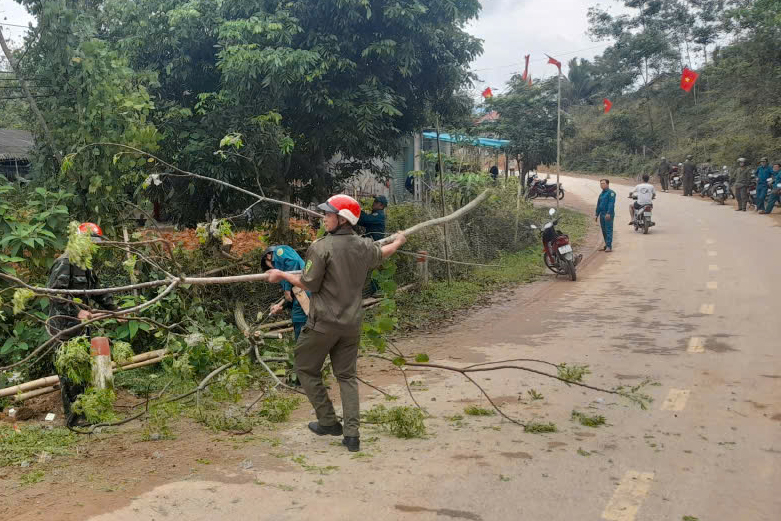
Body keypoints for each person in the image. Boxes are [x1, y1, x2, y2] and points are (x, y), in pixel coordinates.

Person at [265, 194, 406, 452]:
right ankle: (352, 436)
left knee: (305, 368)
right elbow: (381, 253)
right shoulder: (364, 245)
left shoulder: (321, 248)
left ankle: (328, 421)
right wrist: (398, 241)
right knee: (347, 377)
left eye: (328, 214)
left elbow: (308, 283)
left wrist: (281, 274)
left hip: (322, 324)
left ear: (342, 219)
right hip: (351, 324)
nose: (324, 218)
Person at [46, 223, 118, 427]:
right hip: (64, 327)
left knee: (83, 368)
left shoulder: (85, 263)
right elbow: (56, 293)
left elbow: (97, 290)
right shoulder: (65, 262)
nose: (93, 247)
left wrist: (115, 309)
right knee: (70, 370)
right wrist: (77, 311)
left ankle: (86, 409)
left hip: (81, 326)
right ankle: (75, 418)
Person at [261, 245, 308, 340]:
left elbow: (293, 262)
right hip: (300, 295)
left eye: (269, 266)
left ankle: (303, 349)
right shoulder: (284, 273)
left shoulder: (279, 251)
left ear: (268, 256)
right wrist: (281, 306)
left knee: (300, 319)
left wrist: (286, 289)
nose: (272, 269)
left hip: (305, 290)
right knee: (300, 320)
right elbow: (290, 297)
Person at [595, 179, 616, 252]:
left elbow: (611, 204)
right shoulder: (601, 194)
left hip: (608, 214)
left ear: (607, 184)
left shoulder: (611, 193)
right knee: (604, 230)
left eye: (603, 183)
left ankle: (609, 246)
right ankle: (607, 244)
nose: (601, 185)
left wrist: (609, 213)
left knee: (608, 230)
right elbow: (598, 205)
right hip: (602, 214)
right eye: (600, 183)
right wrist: (596, 214)